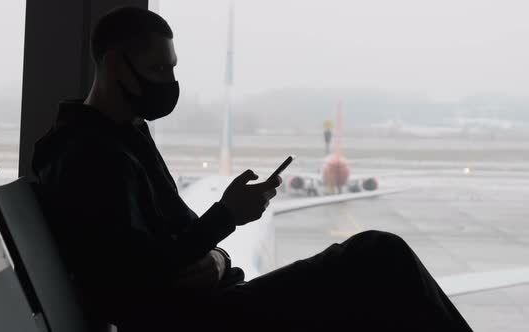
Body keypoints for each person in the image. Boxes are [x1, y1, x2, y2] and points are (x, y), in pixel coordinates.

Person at [32, 7, 473, 332]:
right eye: (156, 69)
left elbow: (174, 240)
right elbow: (127, 283)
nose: (168, 82)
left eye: (172, 68)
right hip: (194, 321)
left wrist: (220, 258)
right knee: (379, 257)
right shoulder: (90, 158)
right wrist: (226, 216)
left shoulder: (123, 134)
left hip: (212, 301)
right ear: (113, 66)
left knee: (375, 263)